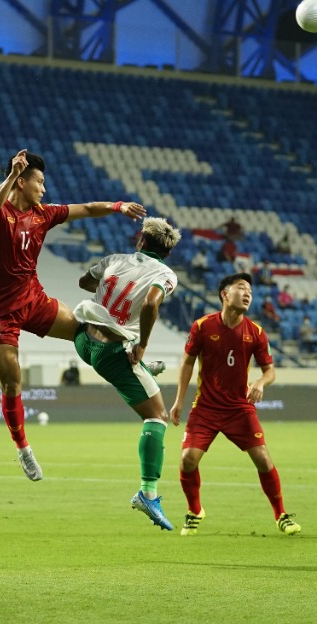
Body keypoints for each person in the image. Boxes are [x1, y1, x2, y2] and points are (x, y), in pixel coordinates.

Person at [0, 150, 150, 481]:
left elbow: (84, 209)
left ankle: (133, 359)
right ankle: (23, 448)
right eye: (39, 182)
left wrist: (118, 207)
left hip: (32, 299)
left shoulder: (44, 214)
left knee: (87, 331)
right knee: (12, 382)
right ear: (22, 181)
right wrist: (11, 176)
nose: (44, 188)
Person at [169, 273, 301, 537]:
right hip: (205, 407)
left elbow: (270, 370)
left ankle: (281, 515)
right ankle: (195, 511)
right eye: (241, 288)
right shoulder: (202, 326)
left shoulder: (256, 332)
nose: (247, 293)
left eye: (250, 290)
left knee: (263, 459)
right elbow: (187, 363)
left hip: (239, 408)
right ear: (224, 294)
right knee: (187, 460)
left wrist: (262, 382)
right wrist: (178, 401)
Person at [72, 218, 182, 531]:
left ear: (140, 241)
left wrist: (109, 286)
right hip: (113, 352)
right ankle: (148, 493)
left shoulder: (114, 260)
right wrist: (144, 345)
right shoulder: (165, 274)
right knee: (157, 416)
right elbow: (150, 304)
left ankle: (147, 369)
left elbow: (84, 282)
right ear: (167, 253)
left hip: (83, 341)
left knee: (137, 368)